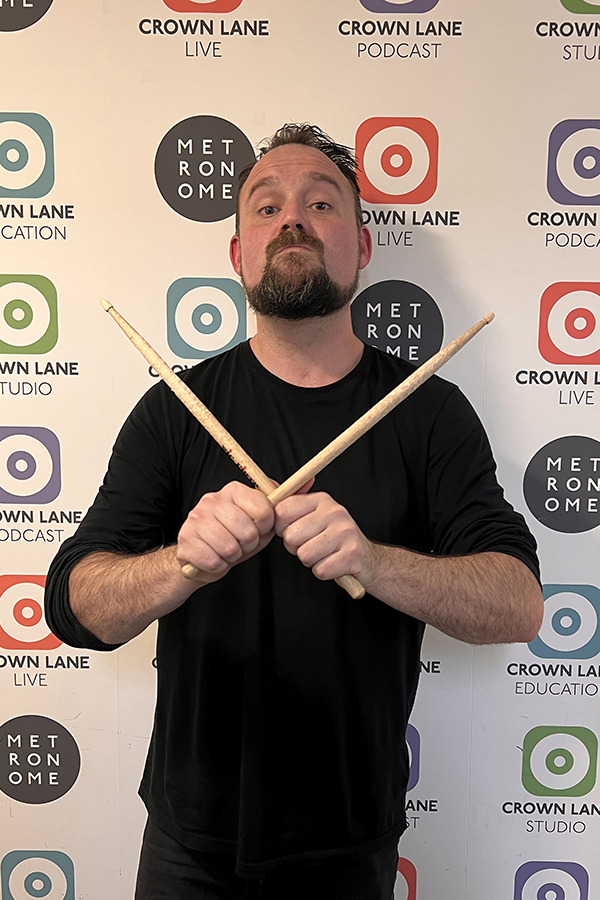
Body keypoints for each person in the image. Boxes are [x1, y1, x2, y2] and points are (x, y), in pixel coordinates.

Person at [45, 124, 543, 900]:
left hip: (349, 839)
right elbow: (78, 608)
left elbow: (517, 604)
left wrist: (373, 561)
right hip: (188, 840)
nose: (293, 220)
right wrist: (180, 564)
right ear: (239, 254)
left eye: (321, 202)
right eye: (266, 206)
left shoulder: (429, 415)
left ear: (364, 246)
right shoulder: (175, 411)